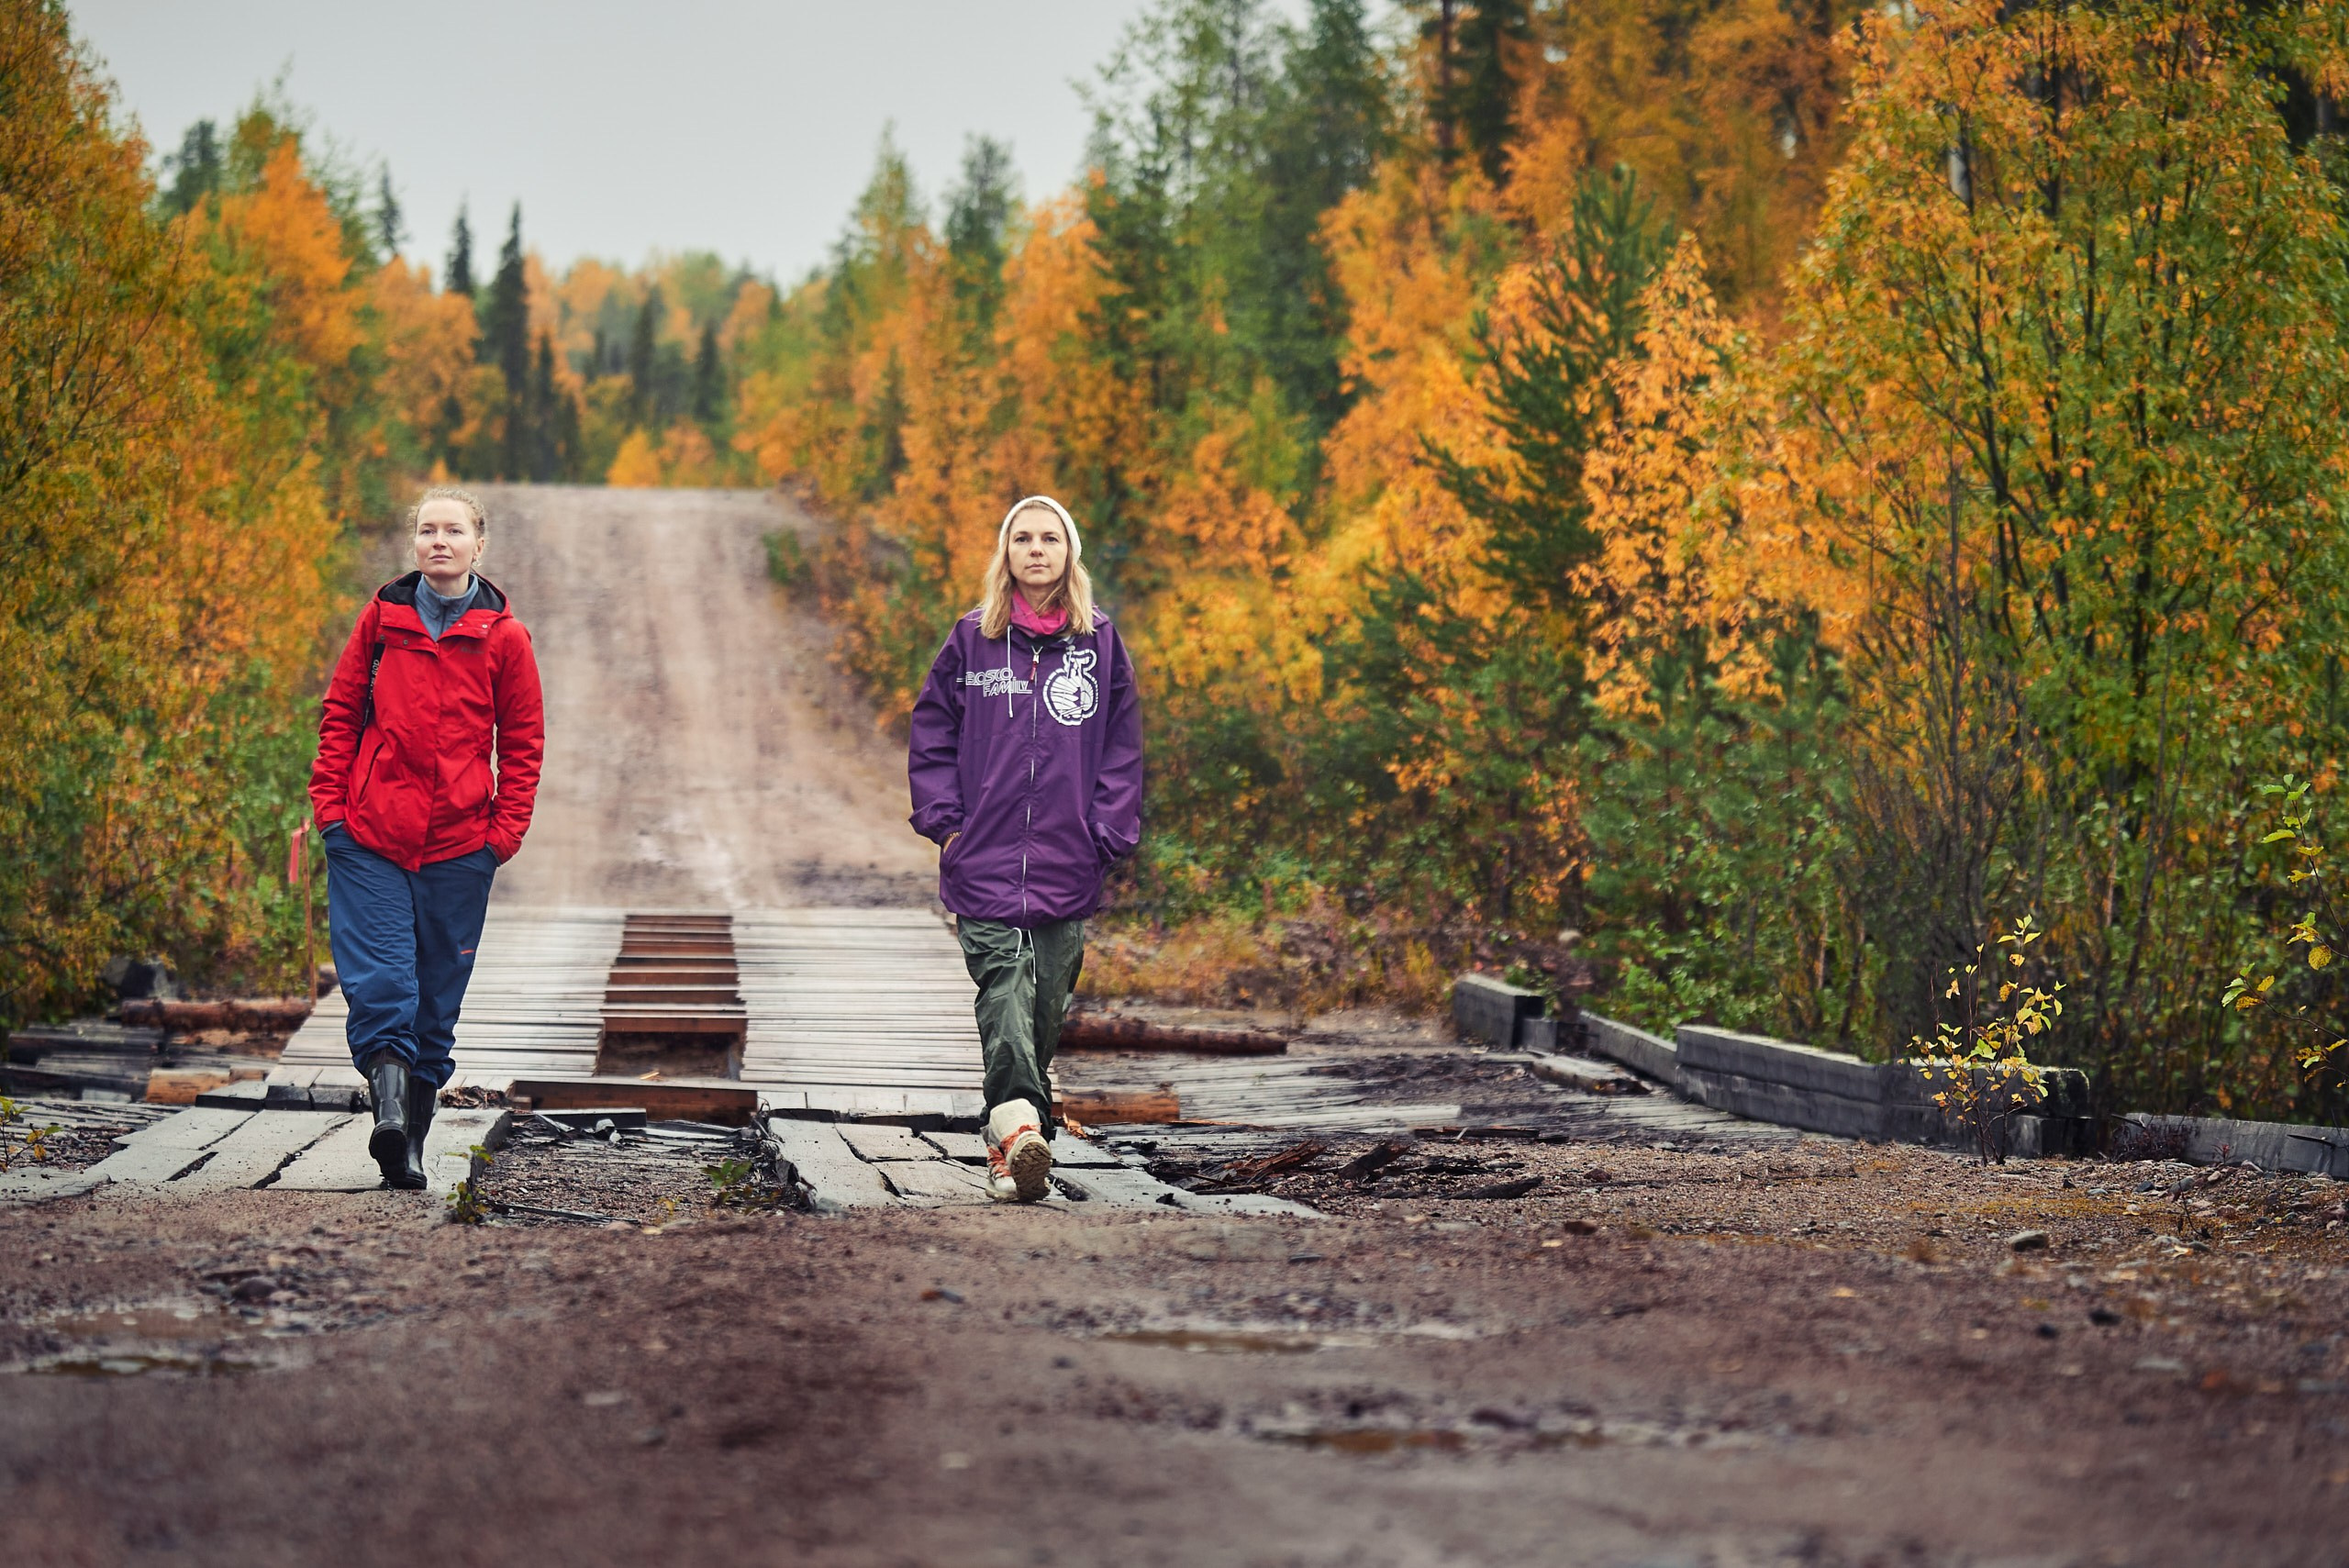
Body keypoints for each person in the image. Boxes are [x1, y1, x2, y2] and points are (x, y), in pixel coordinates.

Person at [907, 495, 1143, 1202]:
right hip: (982, 859)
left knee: (1042, 1013)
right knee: (1004, 989)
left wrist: (1105, 836)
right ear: (1004, 553)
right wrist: (947, 823)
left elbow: (1123, 752)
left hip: (1067, 863)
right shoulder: (971, 641)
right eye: (1022, 537)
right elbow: (931, 734)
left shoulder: (1099, 645)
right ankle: (1018, 1133)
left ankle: (1011, 1136)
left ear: (1069, 552)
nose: (1036, 549)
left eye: (1049, 537)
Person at [308, 486, 544, 1188]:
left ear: (479, 545)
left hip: (459, 848)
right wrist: (332, 812)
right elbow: (341, 714)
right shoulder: (381, 620)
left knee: (437, 1000)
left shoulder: (505, 638)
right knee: (383, 981)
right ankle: (387, 1121)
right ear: (415, 544)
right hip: (372, 836)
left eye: (453, 530)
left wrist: (501, 834)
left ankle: (408, 1144)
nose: (438, 541)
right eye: (426, 530)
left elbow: (524, 742)